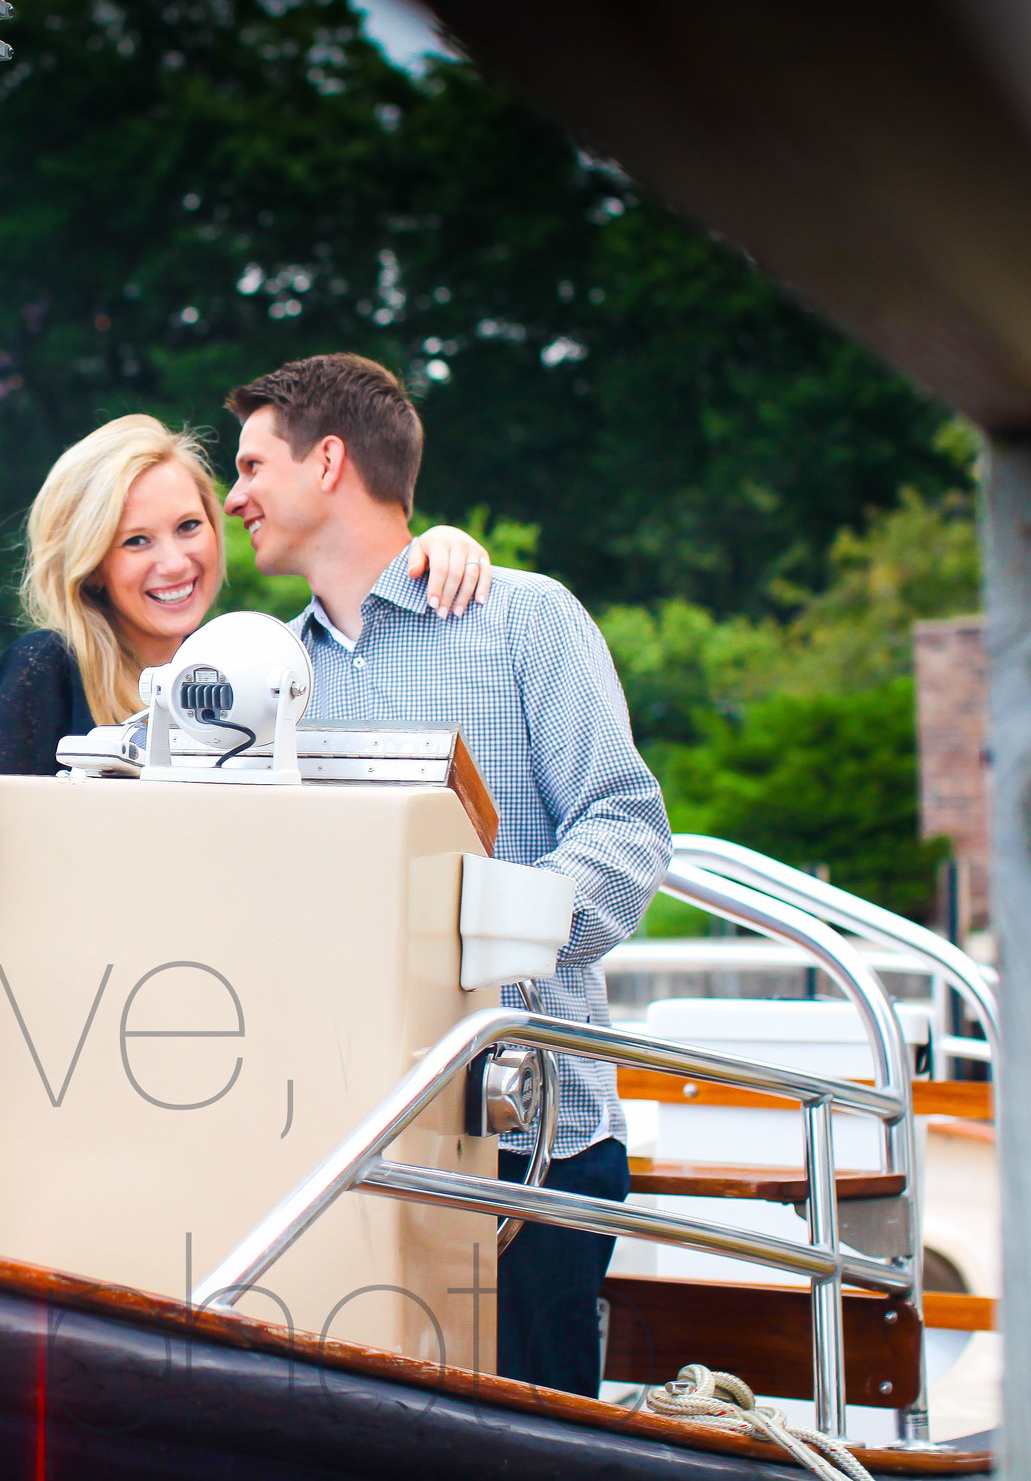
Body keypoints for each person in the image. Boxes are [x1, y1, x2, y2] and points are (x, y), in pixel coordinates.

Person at [222, 352, 669, 1398]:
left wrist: (472, 936)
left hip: (535, 1147)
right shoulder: (258, 678)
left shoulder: (526, 617)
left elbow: (625, 824)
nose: (233, 495)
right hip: (335, 1150)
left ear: (326, 460)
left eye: (251, 464)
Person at [0, 412, 494, 772]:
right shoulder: (43, 670)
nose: (176, 563)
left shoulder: (250, 668)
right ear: (91, 565)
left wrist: (431, 549)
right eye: (136, 541)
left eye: (187, 526)